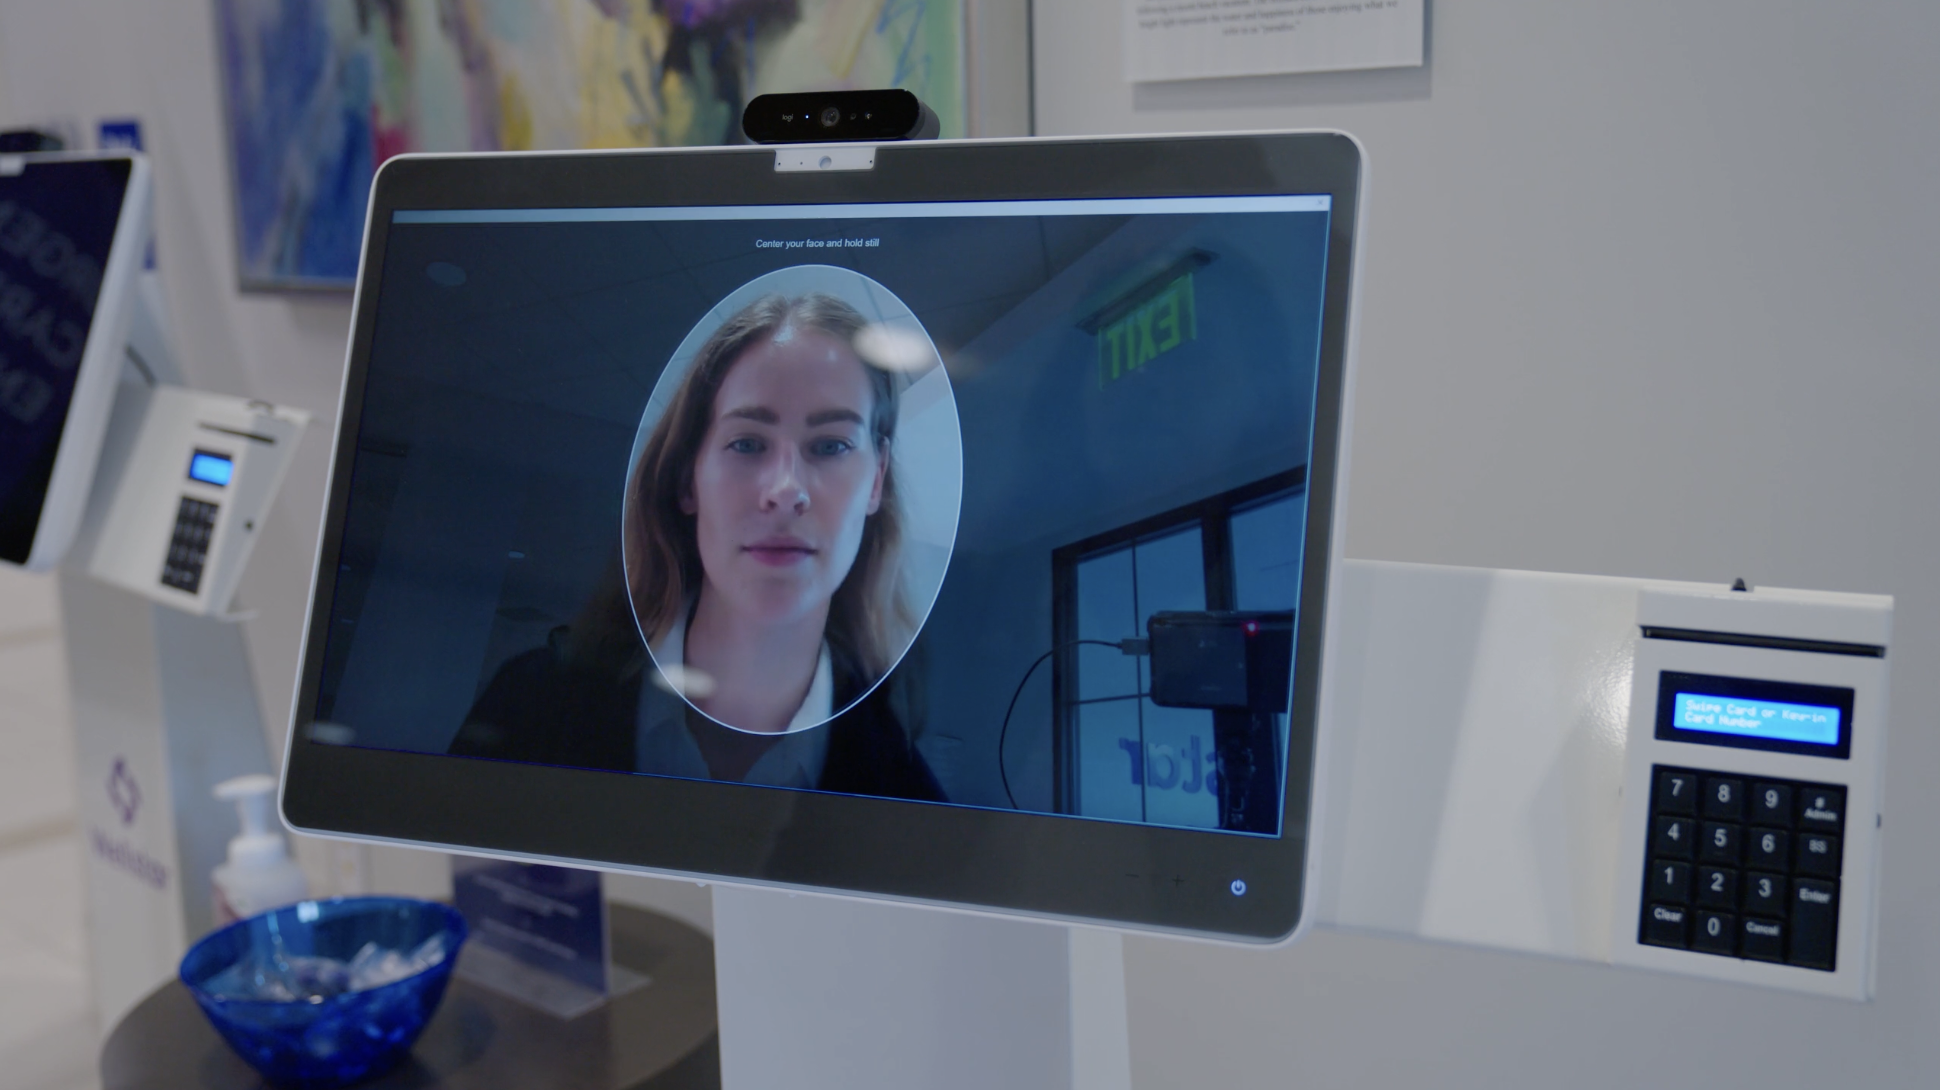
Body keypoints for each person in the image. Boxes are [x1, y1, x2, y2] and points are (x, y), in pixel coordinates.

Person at [450, 292, 942, 801]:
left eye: (831, 445)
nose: (785, 490)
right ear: (688, 478)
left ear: (876, 479)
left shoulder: (910, 803)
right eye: (747, 443)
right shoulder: (526, 709)